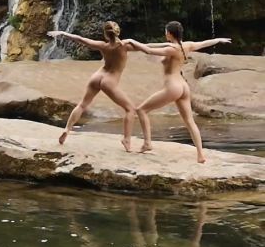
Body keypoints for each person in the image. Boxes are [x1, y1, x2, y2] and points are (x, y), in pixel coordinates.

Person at [125, 21, 231, 163]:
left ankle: (147, 143)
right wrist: (218, 40)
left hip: (173, 87)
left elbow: (148, 50)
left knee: (141, 110)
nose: (164, 33)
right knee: (189, 121)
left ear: (169, 33)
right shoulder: (186, 45)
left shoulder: (171, 49)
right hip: (184, 87)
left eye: (165, 31)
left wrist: (131, 40)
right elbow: (204, 43)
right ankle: (200, 155)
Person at [47, 21, 138, 151]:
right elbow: (147, 47)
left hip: (97, 76)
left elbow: (81, 39)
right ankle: (127, 140)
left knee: (82, 104)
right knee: (130, 109)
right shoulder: (124, 46)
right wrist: (170, 45)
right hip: (109, 80)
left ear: (106, 34)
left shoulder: (102, 45)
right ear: (118, 32)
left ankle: (67, 129)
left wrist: (62, 33)